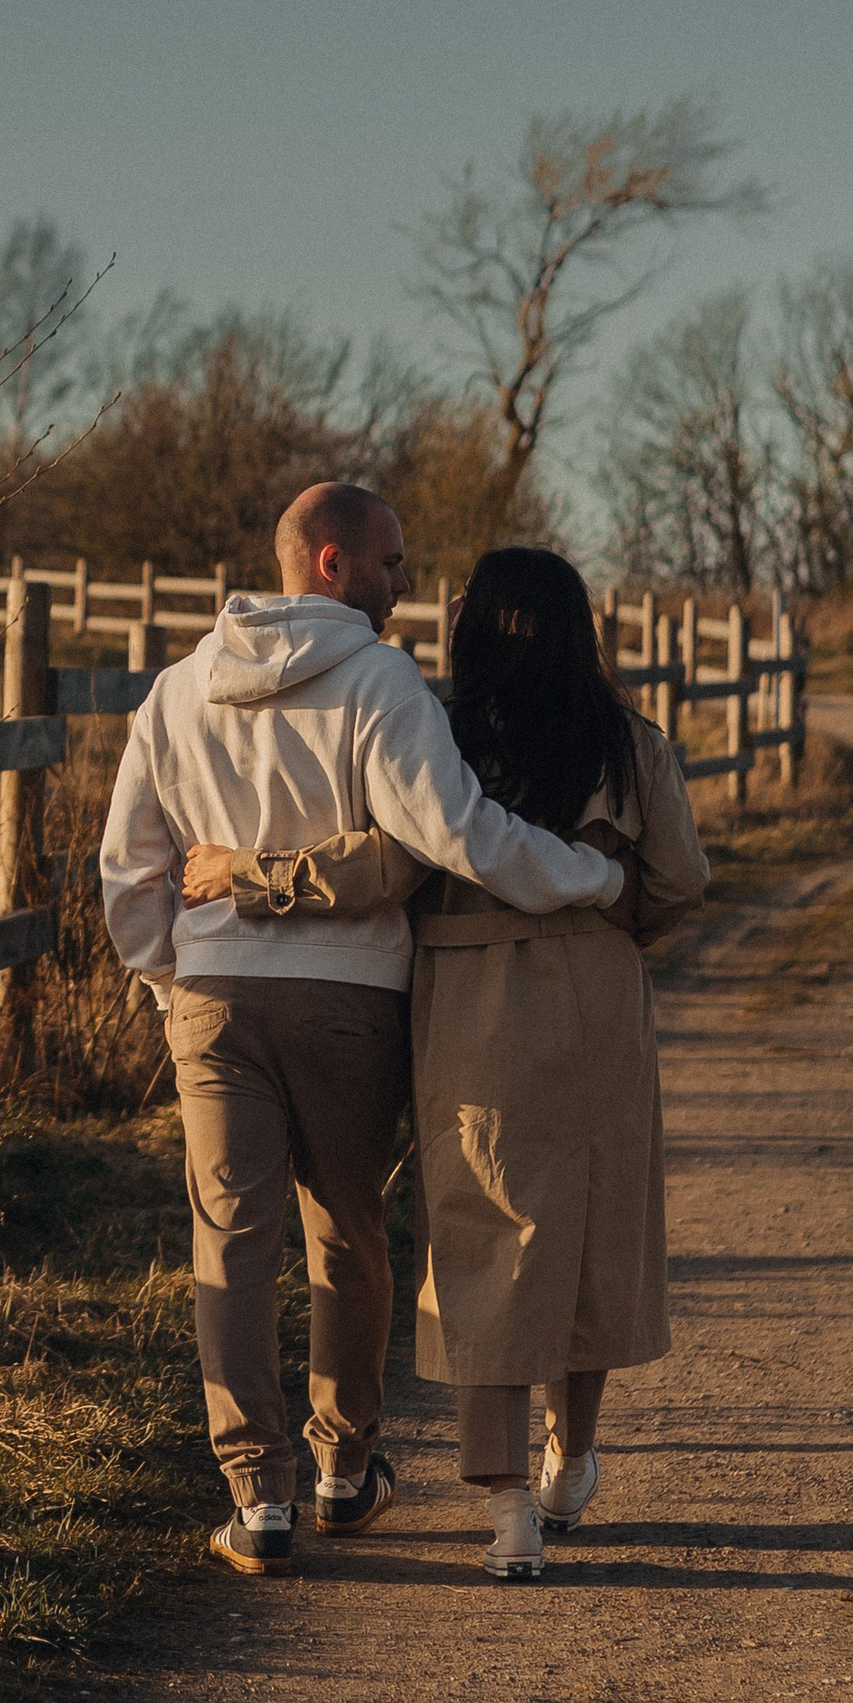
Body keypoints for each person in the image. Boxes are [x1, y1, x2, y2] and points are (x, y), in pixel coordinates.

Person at [98, 485, 625, 1577]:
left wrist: (168, 983)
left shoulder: (177, 687)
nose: (404, 584)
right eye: (389, 563)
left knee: (230, 1243)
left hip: (211, 994)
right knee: (346, 1227)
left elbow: (127, 868)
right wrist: (585, 873)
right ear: (330, 562)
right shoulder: (381, 681)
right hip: (348, 1000)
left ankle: (257, 1497)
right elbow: (454, 830)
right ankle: (344, 1469)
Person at [197, 543, 709, 1582]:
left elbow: (387, 861)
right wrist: (614, 907)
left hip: (474, 1002)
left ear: (474, 629)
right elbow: (680, 878)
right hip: (599, 993)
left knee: (488, 1234)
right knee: (590, 1221)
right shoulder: (631, 740)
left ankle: (509, 1508)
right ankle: (571, 1454)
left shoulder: (446, 737)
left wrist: (249, 875)